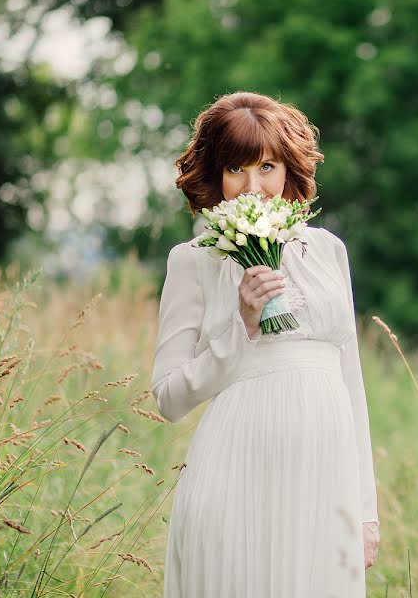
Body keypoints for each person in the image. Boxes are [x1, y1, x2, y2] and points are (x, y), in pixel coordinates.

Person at [151, 91, 380, 597]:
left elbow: (351, 383)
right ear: (215, 175)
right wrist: (243, 326)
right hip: (235, 475)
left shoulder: (328, 252)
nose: (253, 187)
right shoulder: (192, 261)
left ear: (289, 171)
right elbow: (168, 397)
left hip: (325, 484)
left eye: (268, 167)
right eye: (236, 169)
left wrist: (365, 512)